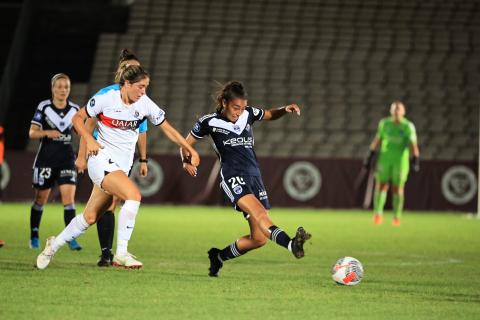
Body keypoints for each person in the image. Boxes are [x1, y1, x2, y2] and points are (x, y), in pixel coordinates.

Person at [36, 64, 200, 270]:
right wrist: (89, 142)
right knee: (134, 195)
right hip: (100, 158)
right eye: (140, 87)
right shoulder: (106, 97)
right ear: (127, 84)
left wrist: (189, 149)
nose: (143, 91)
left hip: (120, 166)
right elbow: (77, 118)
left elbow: (167, 128)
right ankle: (121, 253)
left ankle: (53, 245)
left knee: (90, 217)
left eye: (146, 87)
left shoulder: (144, 104)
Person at [181, 81, 311, 277]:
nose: (239, 112)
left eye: (242, 108)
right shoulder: (208, 122)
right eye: (235, 108)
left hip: (254, 176)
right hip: (233, 176)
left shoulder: (248, 114)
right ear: (224, 103)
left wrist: (284, 109)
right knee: (260, 214)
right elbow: (185, 143)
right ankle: (290, 244)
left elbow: (269, 114)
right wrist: (186, 161)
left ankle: (218, 256)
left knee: (259, 239)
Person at [75, 48, 149, 267]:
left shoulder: (139, 98)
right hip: (102, 153)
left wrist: (143, 159)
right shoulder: (106, 94)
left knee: (107, 204)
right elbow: (86, 123)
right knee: (107, 203)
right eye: (128, 67)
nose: (131, 70)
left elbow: (142, 131)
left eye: (135, 68)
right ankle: (109, 253)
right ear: (121, 71)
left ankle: (107, 253)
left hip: (124, 157)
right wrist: (81, 156)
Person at [28, 73, 82, 250]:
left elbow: (82, 131)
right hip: (46, 160)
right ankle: (34, 234)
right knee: (41, 199)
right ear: (52, 88)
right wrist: (47, 133)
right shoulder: (44, 107)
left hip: (67, 159)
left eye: (66, 87)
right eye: (59, 86)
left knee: (69, 200)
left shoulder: (75, 109)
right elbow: (32, 132)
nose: (63, 90)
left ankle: (71, 238)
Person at [364, 100, 420, 226]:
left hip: (400, 161)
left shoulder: (408, 126)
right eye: (394, 109)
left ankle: (397, 216)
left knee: (398, 189)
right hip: (384, 159)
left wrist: (416, 159)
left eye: (398, 109)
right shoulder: (384, 124)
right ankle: (378, 214)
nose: (396, 111)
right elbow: (378, 139)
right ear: (391, 111)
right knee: (381, 185)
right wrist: (370, 154)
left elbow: (413, 144)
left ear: (403, 112)